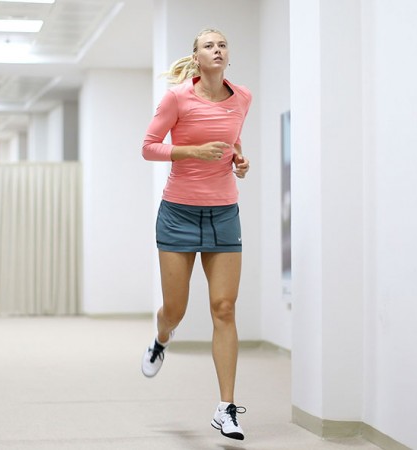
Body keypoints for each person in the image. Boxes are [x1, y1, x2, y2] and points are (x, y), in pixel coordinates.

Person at [140, 28, 252, 441]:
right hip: (178, 214)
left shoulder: (242, 97)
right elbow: (149, 146)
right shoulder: (177, 98)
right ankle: (160, 338)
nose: (218, 49)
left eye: (223, 44)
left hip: (224, 213)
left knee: (224, 308)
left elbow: (234, 140)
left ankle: (226, 409)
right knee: (176, 309)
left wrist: (240, 159)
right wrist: (190, 152)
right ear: (196, 56)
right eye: (209, 45)